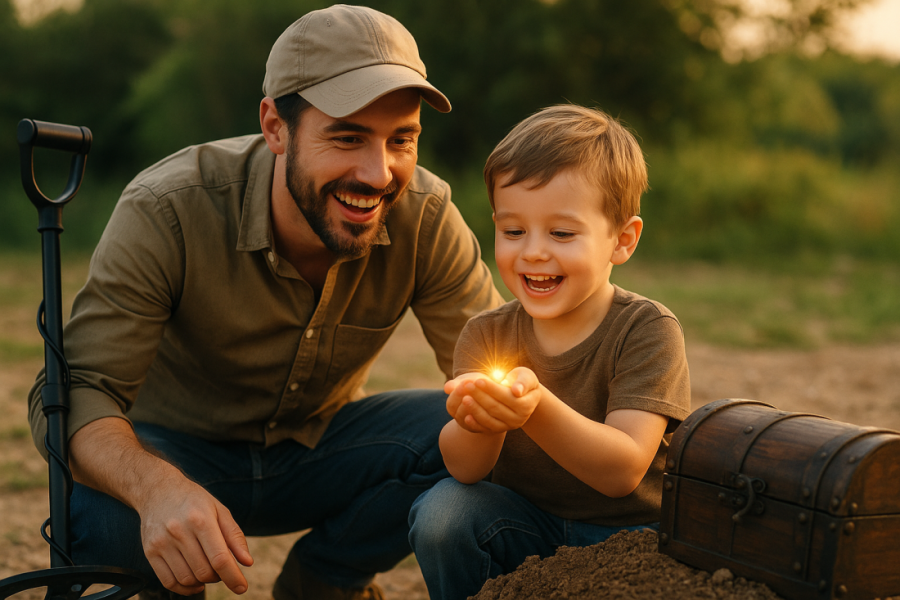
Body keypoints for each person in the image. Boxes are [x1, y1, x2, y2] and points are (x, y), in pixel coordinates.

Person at [26, 5, 503, 600]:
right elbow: (75, 393)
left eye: (400, 140)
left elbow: (496, 369)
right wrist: (155, 488)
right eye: (348, 137)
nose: (379, 173)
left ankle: (325, 582)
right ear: (275, 126)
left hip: (320, 453)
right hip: (173, 451)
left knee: (478, 425)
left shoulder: (427, 216)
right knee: (101, 516)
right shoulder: (168, 207)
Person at [407, 104, 692, 600]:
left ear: (622, 240)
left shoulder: (646, 329)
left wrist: (533, 408)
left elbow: (623, 470)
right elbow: (466, 469)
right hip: (524, 526)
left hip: (630, 538)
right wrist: (477, 421)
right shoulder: (486, 333)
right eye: (513, 231)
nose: (533, 251)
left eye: (561, 233)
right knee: (442, 512)